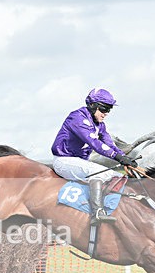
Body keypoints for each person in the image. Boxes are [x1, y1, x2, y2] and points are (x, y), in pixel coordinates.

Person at [51, 88, 138, 224]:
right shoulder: (77, 117)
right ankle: (97, 212)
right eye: (103, 109)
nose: (106, 114)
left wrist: (125, 159)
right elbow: (95, 143)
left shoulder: (100, 125)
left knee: (117, 176)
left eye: (109, 110)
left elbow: (110, 145)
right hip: (64, 160)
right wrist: (117, 157)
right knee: (97, 173)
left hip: (79, 162)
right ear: (92, 105)